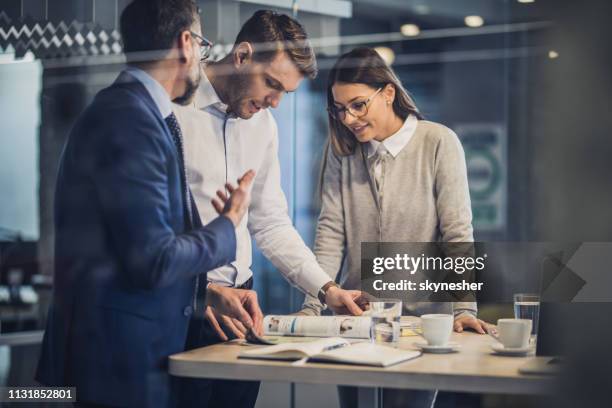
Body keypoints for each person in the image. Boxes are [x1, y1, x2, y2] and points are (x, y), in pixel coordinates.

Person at [35, 1, 263, 407]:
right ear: (186, 44)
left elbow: (129, 254)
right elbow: (153, 259)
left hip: (124, 358)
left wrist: (205, 292)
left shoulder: (137, 115)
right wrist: (227, 225)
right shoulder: (129, 121)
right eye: (203, 46)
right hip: (114, 367)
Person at [172, 10, 366, 408]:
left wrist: (326, 288)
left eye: (284, 93)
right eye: (272, 84)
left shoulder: (263, 126)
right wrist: (200, 293)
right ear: (242, 55)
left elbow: (271, 223)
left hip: (243, 310)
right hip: (184, 307)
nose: (274, 103)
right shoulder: (175, 110)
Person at [299, 47, 491, 408]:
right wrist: (313, 305)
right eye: (339, 109)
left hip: (422, 325)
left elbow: (457, 235)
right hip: (357, 322)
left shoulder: (438, 142)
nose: (348, 118)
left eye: (358, 105)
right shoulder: (342, 151)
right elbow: (330, 236)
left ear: (388, 93)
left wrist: (465, 310)